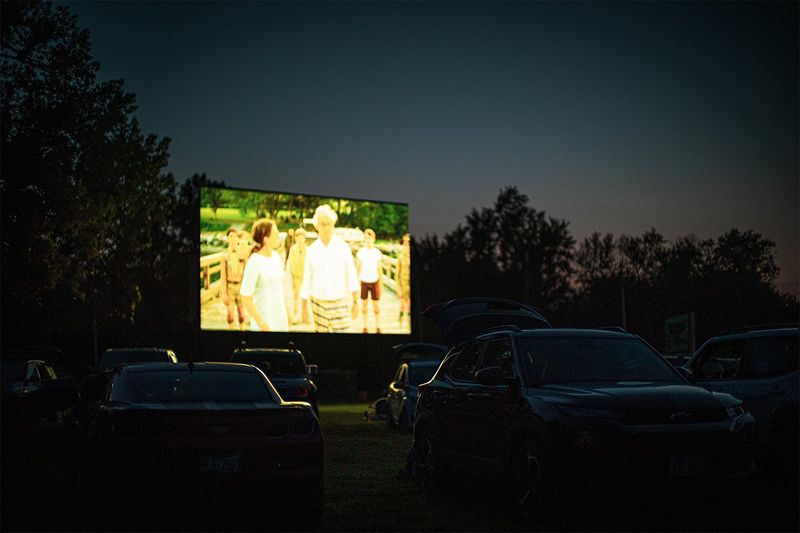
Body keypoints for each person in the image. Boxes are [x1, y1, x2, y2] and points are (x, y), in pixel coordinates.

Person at [299, 204, 360, 333]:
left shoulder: (343, 247)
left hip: (340, 302)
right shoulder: (312, 250)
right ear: (317, 226)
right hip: (318, 303)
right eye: (322, 224)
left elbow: (351, 275)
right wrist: (303, 307)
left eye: (329, 224)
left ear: (333, 225)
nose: (326, 228)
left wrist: (356, 301)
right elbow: (307, 278)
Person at [240, 219, 289, 332]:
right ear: (266, 239)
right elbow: (245, 298)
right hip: (264, 325)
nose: (278, 236)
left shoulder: (276, 257)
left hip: (280, 321)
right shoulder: (255, 261)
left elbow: (278, 289)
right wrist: (262, 324)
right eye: (275, 234)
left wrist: (287, 314)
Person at [356, 229, 383, 333]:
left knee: (376, 306)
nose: (368, 240)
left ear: (373, 239)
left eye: (370, 238)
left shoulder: (377, 253)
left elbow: (380, 270)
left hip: (374, 281)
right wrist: (356, 285)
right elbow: (358, 269)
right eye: (366, 238)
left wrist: (381, 285)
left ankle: (378, 326)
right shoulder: (360, 252)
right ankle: (365, 326)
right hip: (364, 281)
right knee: (364, 305)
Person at [220, 227, 247, 330]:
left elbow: (246, 268)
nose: (233, 239)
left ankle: (242, 332)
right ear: (227, 238)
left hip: (240, 286)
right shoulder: (225, 255)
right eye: (231, 236)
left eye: (235, 236)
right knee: (230, 314)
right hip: (230, 286)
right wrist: (224, 292)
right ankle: (231, 334)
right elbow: (223, 275)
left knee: (241, 314)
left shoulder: (242, 254)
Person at [287, 227, 309, 324]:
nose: (300, 239)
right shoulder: (293, 249)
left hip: (305, 277)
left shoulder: (308, 249)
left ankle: (305, 317)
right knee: (296, 297)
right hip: (296, 277)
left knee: (305, 297)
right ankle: (296, 316)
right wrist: (292, 277)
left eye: (302, 237)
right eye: (298, 237)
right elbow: (291, 264)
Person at [396, 233, 411, 327]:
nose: (406, 244)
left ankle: (409, 324)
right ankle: (400, 324)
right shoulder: (400, 257)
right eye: (404, 242)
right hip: (403, 285)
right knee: (402, 305)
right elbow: (397, 274)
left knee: (409, 307)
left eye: (408, 242)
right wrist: (398, 288)